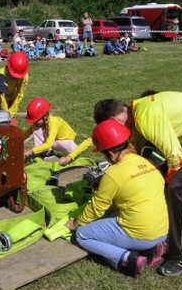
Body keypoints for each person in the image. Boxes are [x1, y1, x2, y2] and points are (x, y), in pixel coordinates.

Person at [93, 92, 182, 277]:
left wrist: (156, 182)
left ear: (115, 120)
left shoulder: (146, 118)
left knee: (179, 191)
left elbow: (176, 158)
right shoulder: (135, 114)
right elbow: (134, 153)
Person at [65, 119, 168, 278]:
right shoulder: (144, 162)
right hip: (162, 229)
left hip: (141, 232)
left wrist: (76, 223)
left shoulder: (114, 173)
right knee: (113, 217)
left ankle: (128, 259)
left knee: (82, 235)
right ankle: (155, 246)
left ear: (111, 153)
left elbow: (96, 208)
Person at [0, 51, 29, 125]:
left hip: (10, 100)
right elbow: (0, 97)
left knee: (12, 126)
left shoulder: (24, 76)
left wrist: (12, 112)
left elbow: (19, 94)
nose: (16, 78)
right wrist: (6, 114)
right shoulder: (0, 75)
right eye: (13, 76)